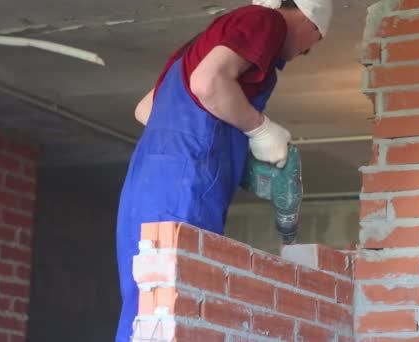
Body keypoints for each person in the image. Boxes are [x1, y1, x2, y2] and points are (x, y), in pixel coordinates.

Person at [115, 0, 332, 340]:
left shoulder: (200, 44)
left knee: (146, 306)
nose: (306, 53)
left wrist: (233, 156)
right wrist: (259, 128)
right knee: (180, 301)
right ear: (311, 18)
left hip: (146, 184)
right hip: (187, 183)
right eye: (314, 42)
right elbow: (207, 84)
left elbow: (146, 110)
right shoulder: (266, 21)